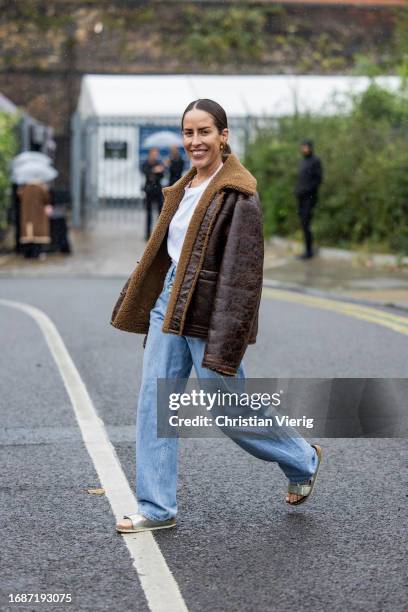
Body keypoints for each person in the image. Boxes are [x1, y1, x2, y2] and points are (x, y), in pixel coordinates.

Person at [111, 99, 322, 534]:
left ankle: (302, 458)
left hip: (211, 311)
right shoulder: (183, 188)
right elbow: (168, 257)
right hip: (169, 304)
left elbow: (244, 279)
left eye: (204, 132)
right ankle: (156, 507)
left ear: (223, 136)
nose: (195, 141)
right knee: (155, 400)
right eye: (188, 133)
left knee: (227, 407)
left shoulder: (239, 194)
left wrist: (230, 337)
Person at [294, 139, 323, 260]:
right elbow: (301, 179)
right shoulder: (303, 161)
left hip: (310, 198)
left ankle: (309, 251)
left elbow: (318, 179)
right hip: (301, 197)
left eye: (306, 147)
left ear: (310, 147)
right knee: (303, 223)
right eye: (303, 147)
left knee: (306, 223)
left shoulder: (315, 161)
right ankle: (307, 249)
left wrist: (307, 190)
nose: (304, 149)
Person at [17, 181, 53, 259]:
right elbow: (47, 198)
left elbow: (19, 196)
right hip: (38, 215)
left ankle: (28, 254)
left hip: (27, 215)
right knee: (38, 237)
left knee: (28, 236)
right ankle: (37, 253)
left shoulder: (25, 189)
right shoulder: (41, 188)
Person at [141, 148, 164, 241]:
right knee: (149, 213)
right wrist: (154, 170)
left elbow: (161, 175)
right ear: (150, 154)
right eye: (154, 153)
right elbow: (145, 171)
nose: (155, 155)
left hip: (157, 191)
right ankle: (147, 234)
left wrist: (158, 171)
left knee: (160, 213)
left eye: (156, 153)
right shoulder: (146, 163)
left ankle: (159, 234)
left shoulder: (159, 163)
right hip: (149, 191)